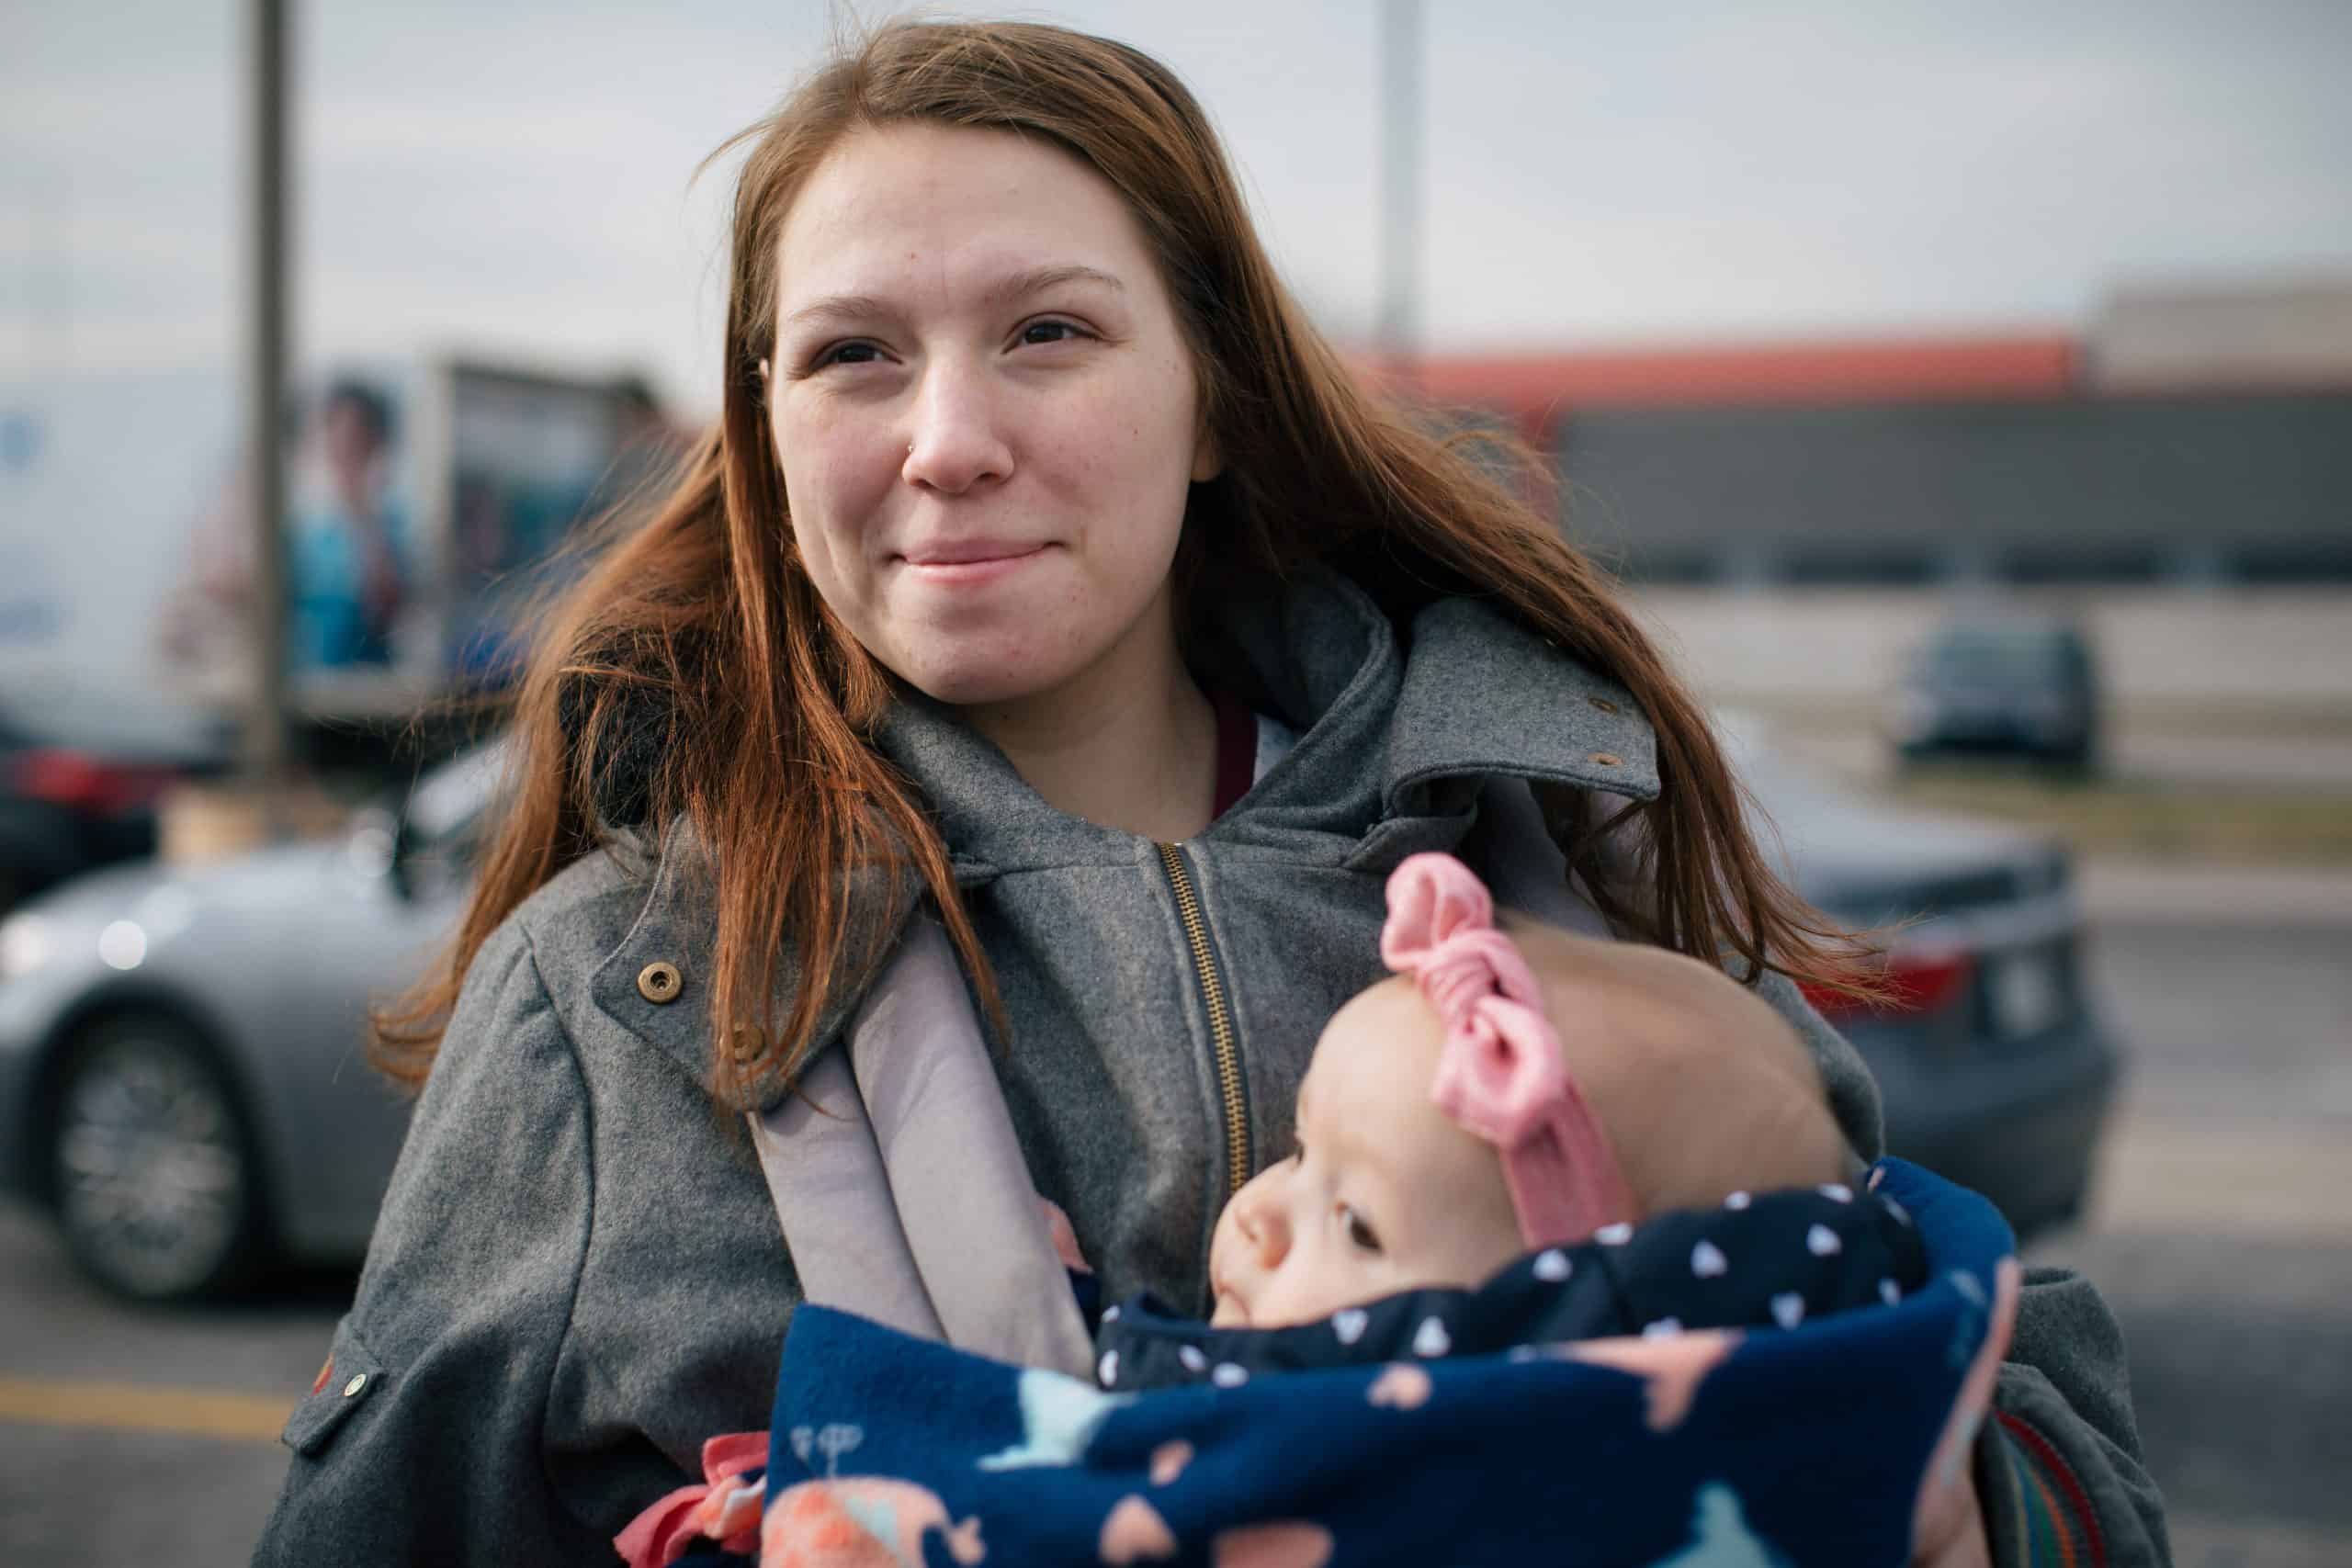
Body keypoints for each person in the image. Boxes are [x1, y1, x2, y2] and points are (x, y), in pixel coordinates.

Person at [252, 19, 2165, 1567]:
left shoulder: (1554, 873)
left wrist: (1940, 1510)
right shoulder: (605, 1001)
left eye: (1048, 332)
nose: (946, 441)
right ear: (763, 437)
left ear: (1216, 398)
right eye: (851, 357)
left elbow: (2028, 1413)